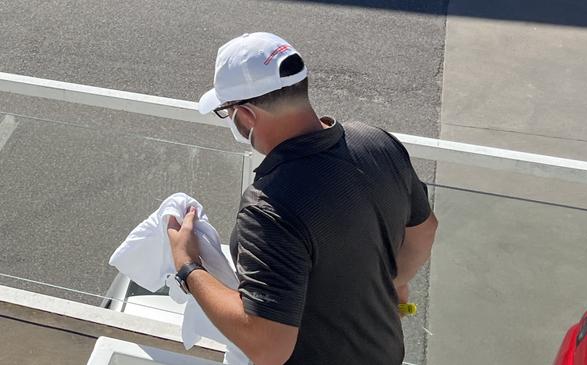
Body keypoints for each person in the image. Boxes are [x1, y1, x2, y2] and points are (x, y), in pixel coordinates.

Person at [167, 32, 438, 365]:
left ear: (248, 115)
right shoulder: (377, 143)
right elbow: (424, 231)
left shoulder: (268, 208)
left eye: (226, 111)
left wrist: (188, 267)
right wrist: (388, 284)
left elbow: (268, 346)